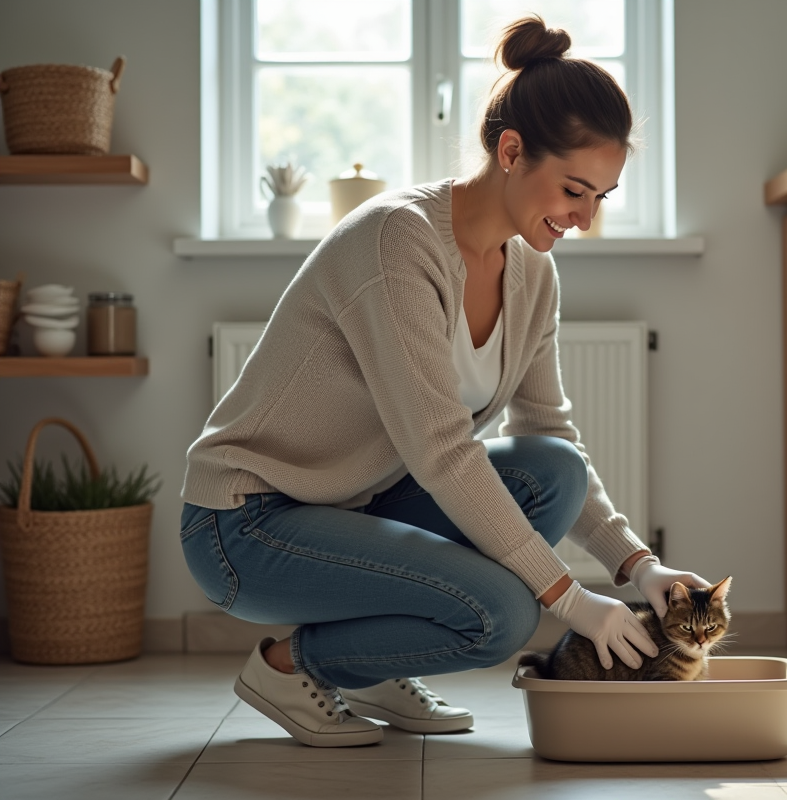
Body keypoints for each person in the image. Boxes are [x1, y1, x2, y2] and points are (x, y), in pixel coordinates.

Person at [179, 15, 709, 748]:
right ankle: (289, 666)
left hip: (357, 505)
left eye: (603, 198)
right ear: (512, 150)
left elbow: (548, 432)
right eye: (575, 190)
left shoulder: (533, 272)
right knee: (507, 614)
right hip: (245, 523)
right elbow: (442, 453)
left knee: (548, 470)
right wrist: (570, 599)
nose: (585, 218)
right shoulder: (398, 239)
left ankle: (375, 653)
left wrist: (638, 565)